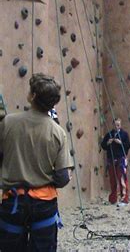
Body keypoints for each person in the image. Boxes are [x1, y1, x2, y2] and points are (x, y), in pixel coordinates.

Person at [0, 73, 74, 251]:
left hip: (13, 201)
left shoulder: (8, 123)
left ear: (32, 96)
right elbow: (63, 177)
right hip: (44, 203)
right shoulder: (57, 132)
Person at [101, 118, 130, 206]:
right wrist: (107, 143)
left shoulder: (124, 134)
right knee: (112, 179)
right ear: (113, 125)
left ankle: (124, 199)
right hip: (111, 159)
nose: (117, 126)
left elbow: (128, 145)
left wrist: (121, 143)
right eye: (115, 125)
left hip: (121, 158)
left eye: (118, 125)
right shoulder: (109, 134)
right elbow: (103, 146)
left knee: (122, 178)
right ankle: (113, 199)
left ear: (120, 125)